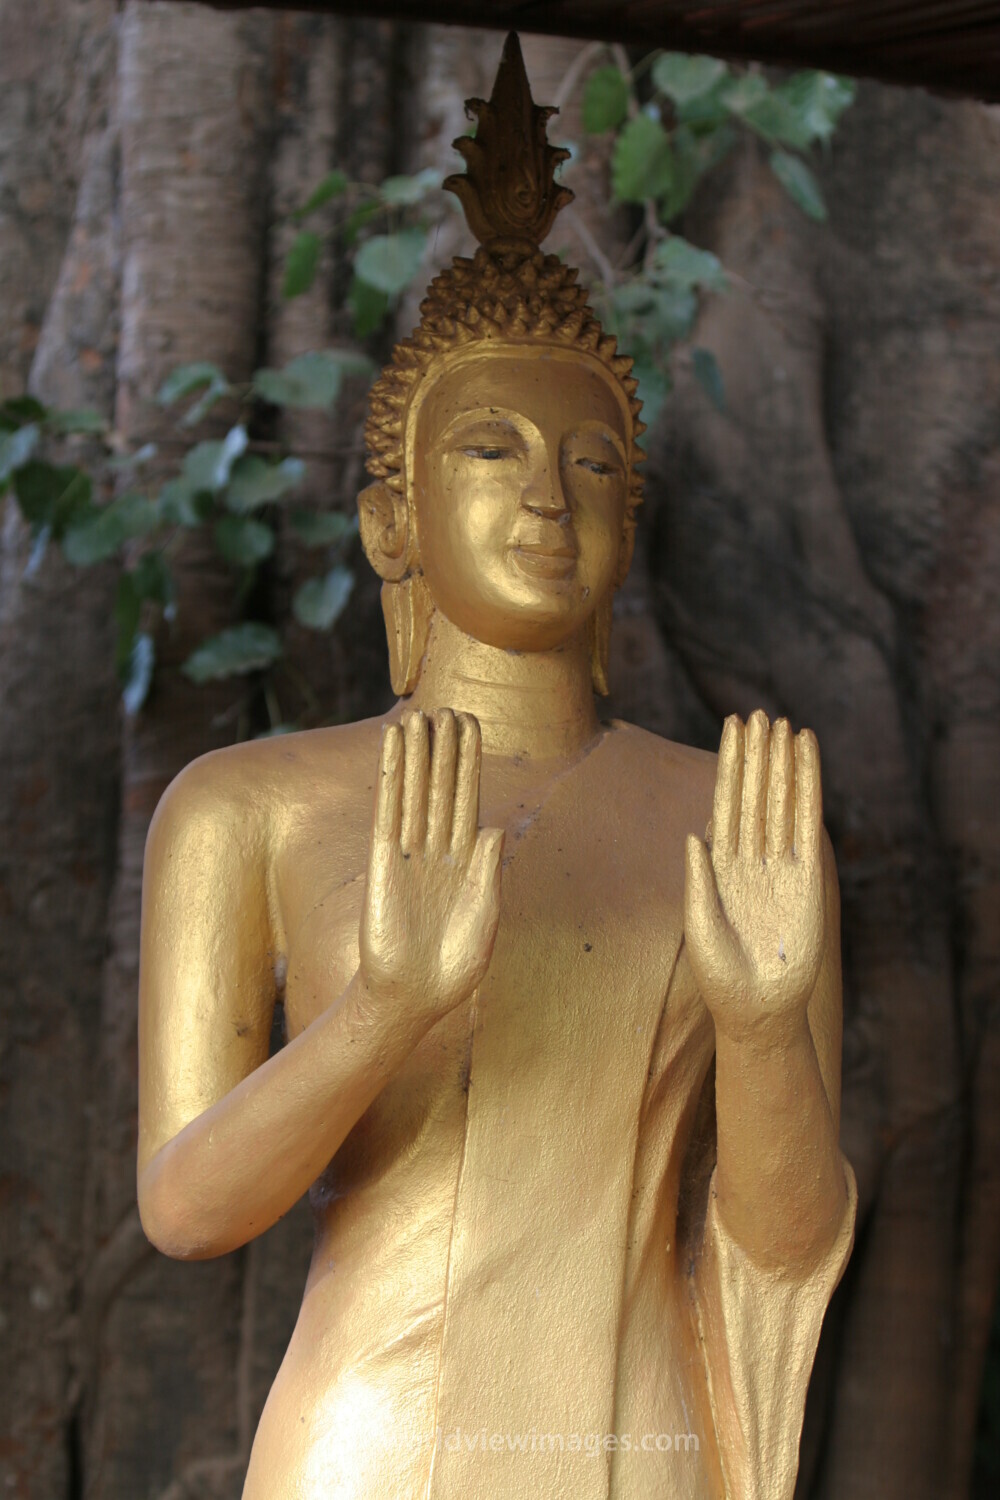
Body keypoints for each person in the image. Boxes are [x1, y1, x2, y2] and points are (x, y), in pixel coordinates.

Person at [136, 35, 855, 1500]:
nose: (546, 491)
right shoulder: (248, 807)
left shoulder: (743, 822)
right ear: (391, 523)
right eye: (491, 450)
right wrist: (380, 1013)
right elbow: (186, 1210)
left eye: (592, 465)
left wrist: (767, 1028)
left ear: (629, 518)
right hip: (368, 1446)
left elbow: (783, 1238)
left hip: (635, 1439)